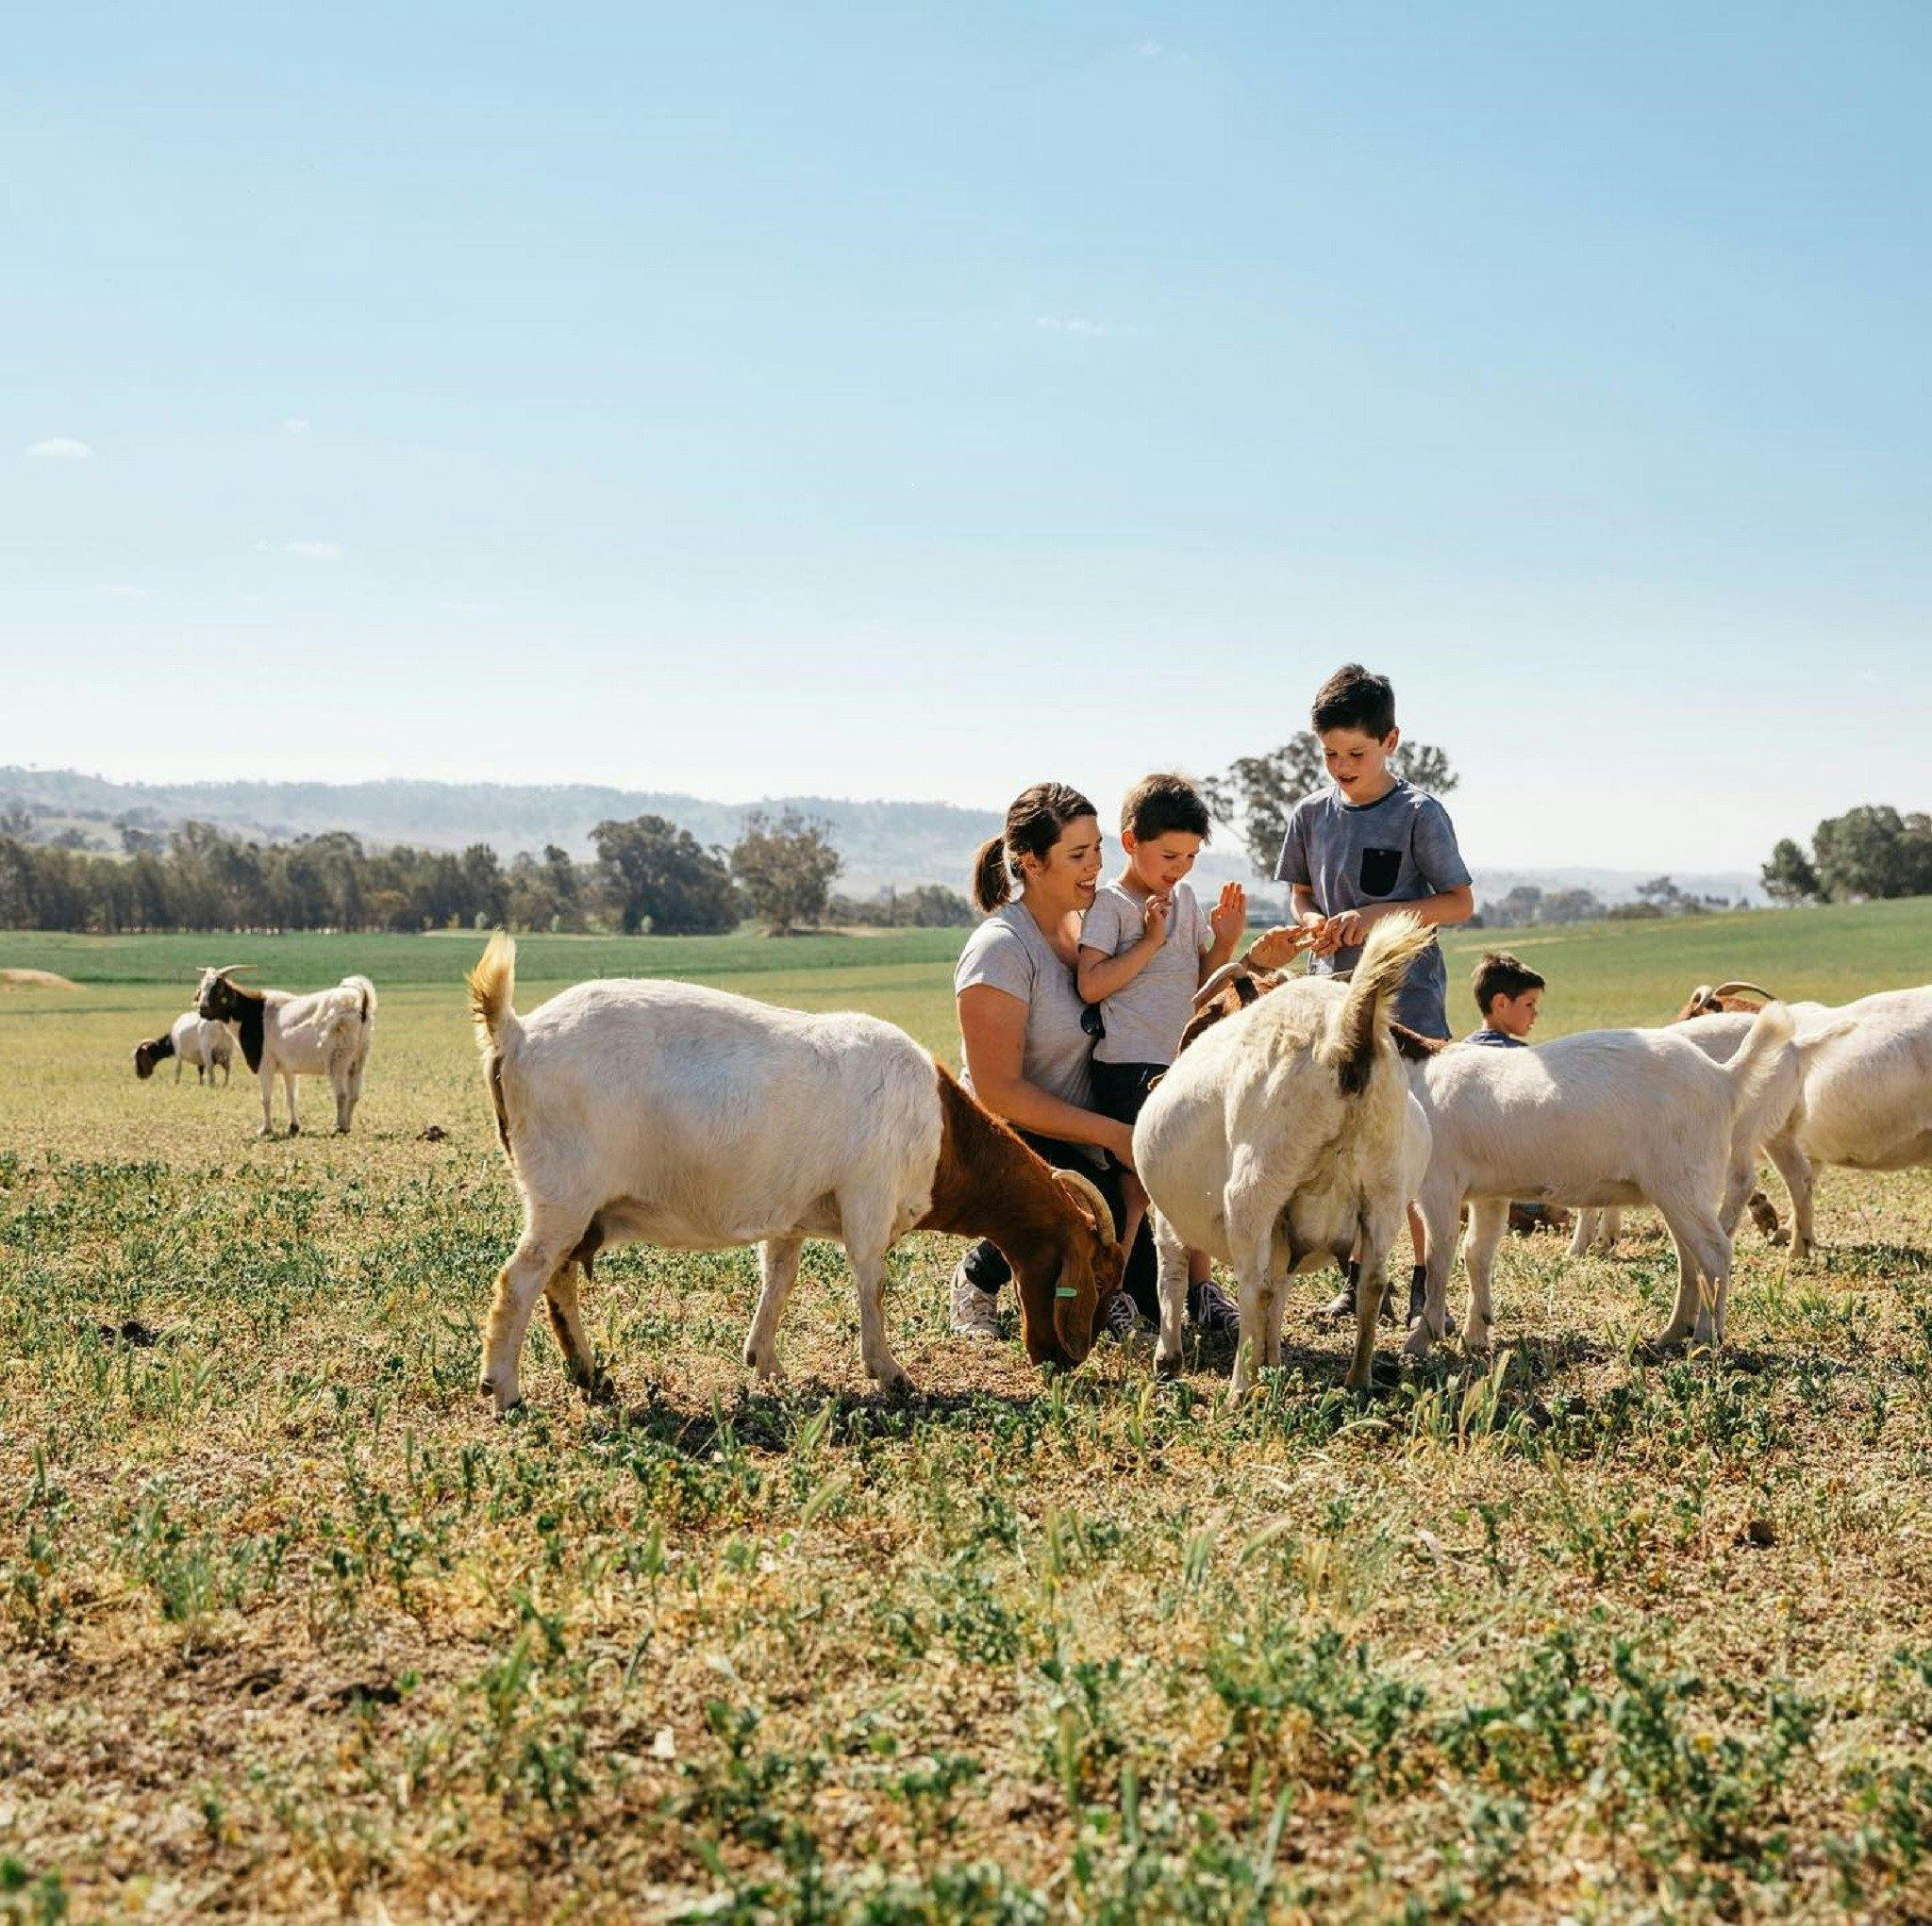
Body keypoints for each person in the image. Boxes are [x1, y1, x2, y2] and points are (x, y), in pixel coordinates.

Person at [1264, 663, 1475, 1323]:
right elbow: (1301, 892)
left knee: (1405, 1141)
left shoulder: (1419, 814)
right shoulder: (1308, 814)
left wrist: (1377, 918)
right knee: (1339, 1134)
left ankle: (1420, 1285)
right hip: (1327, 996)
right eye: (1329, 754)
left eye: (1356, 753)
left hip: (1404, 999)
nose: (1341, 765)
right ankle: (1359, 1282)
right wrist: (1310, 925)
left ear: (1391, 741)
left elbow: (1459, 903)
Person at [949, 782, 1158, 1339]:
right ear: (1031, 863)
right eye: (1077, 855)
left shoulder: (1096, 929)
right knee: (1093, 1203)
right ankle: (978, 1277)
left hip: (1087, 1132)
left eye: (1097, 850)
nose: (1095, 867)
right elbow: (997, 1093)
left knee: (1149, 1308)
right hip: (1012, 1135)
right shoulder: (1002, 949)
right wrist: (1115, 1136)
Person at [1074, 772, 1246, 1333]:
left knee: (1196, 1177)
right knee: (1139, 1187)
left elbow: (1199, 985)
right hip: (1128, 1066)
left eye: (1191, 856)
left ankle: (1201, 1291)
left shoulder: (1186, 899)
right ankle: (1112, 1294)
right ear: (1130, 843)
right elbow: (1091, 985)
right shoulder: (1111, 905)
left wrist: (1223, 942)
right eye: (1170, 854)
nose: (1180, 867)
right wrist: (1148, 941)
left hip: (1182, 1064)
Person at [1467, 951, 1544, 1047]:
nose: (1535, 1014)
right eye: (1529, 1004)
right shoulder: (1517, 1053)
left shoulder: (1463, 1048)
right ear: (1501, 1003)